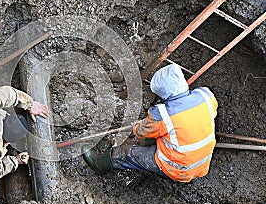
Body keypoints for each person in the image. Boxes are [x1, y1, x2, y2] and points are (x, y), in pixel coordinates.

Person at [83, 64, 218, 182]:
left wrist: (137, 125)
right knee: (165, 135)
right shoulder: (205, 95)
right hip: (202, 163)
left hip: (177, 168)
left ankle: (98, 164)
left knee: (124, 153)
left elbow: (140, 132)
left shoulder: (163, 115)